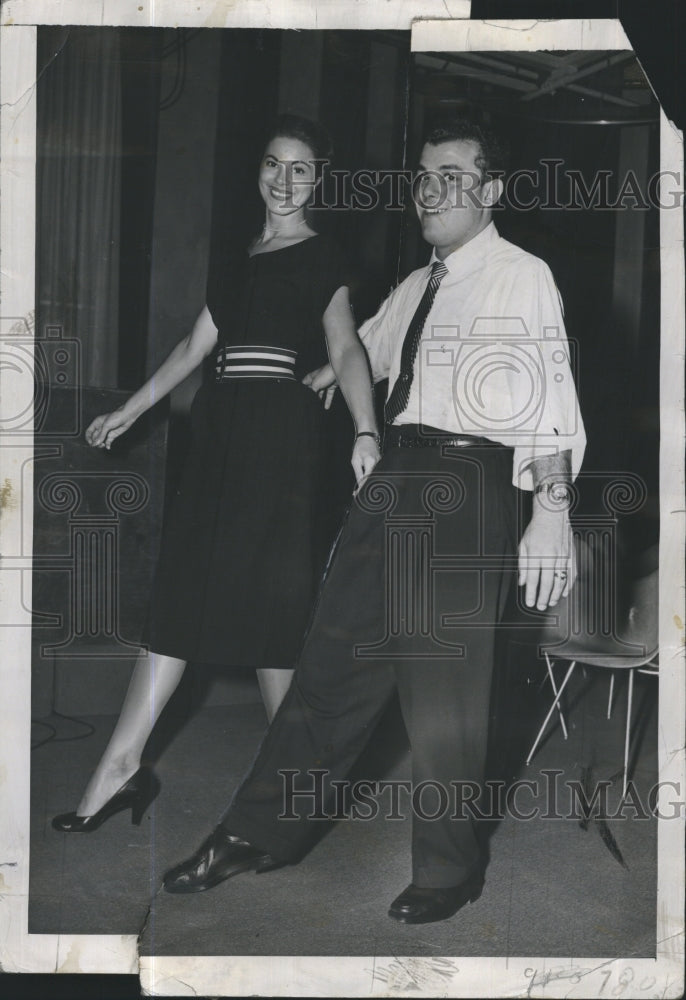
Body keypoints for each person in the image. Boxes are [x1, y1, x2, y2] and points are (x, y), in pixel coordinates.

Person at [161, 116, 587, 924]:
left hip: (470, 478)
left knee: (445, 696)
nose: (430, 191)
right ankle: (257, 832)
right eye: (423, 177)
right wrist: (323, 368)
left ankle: (448, 869)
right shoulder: (422, 281)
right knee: (330, 666)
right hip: (396, 473)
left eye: (451, 178)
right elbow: (373, 345)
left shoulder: (520, 275)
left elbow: (552, 400)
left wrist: (551, 513)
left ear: (490, 192)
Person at [51, 114, 381, 833]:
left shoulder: (322, 256)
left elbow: (347, 348)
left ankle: (292, 780)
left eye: (300, 168)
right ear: (258, 171)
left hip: (281, 439)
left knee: (274, 603)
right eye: (273, 164)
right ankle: (121, 766)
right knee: (182, 589)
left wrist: (365, 430)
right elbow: (192, 349)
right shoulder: (237, 258)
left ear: (318, 179)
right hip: (221, 432)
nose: (284, 180)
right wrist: (132, 411)